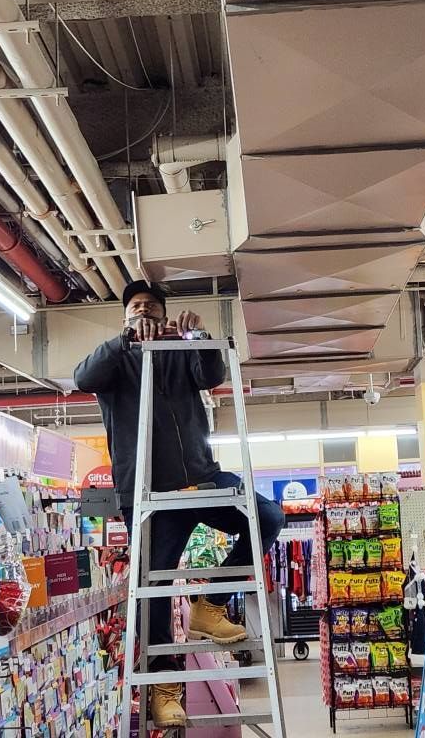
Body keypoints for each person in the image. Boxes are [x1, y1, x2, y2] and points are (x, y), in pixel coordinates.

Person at [74, 280, 285, 728]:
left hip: (200, 479)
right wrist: (124, 341)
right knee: (153, 591)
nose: (143, 310)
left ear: (164, 315)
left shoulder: (180, 349)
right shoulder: (114, 361)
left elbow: (211, 374)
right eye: (135, 306)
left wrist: (198, 336)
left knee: (268, 517)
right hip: (146, 493)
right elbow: (82, 377)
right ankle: (165, 690)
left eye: (151, 306)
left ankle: (210, 605)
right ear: (125, 318)